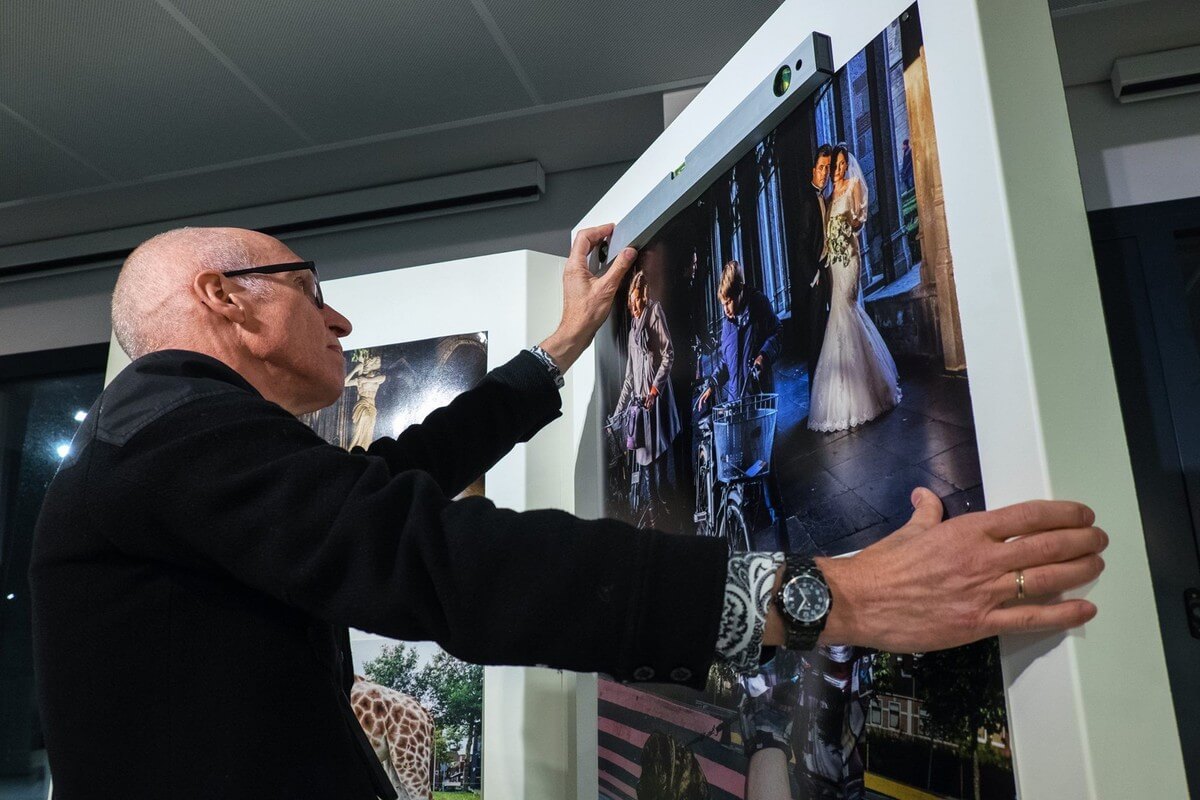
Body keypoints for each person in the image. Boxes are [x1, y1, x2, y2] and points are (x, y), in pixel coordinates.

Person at [30, 224, 1107, 799]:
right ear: (224, 297)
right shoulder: (168, 433)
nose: (340, 313)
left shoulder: (163, 438)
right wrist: (838, 592)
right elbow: (432, 552)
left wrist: (559, 349)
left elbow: (394, 483)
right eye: (311, 285)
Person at [808, 144, 903, 432]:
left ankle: (865, 390)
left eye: (839, 165)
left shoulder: (852, 186)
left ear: (846, 165)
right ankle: (843, 390)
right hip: (833, 265)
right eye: (833, 165)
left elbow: (861, 220)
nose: (836, 170)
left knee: (846, 310)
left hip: (849, 259)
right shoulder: (827, 194)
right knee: (840, 316)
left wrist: (848, 226)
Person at [612, 270, 683, 529]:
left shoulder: (654, 313)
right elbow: (629, 378)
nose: (633, 309)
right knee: (647, 480)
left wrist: (655, 389)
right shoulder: (632, 332)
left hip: (658, 406)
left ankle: (672, 526)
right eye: (631, 305)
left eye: (636, 303)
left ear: (643, 297)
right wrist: (617, 413)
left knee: (662, 478)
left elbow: (669, 353)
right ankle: (656, 531)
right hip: (641, 414)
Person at [790, 144, 833, 384]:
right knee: (815, 338)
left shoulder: (824, 197)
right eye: (821, 168)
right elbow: (801, 244)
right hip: (815, 278)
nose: (825, 172)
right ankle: (817, 394)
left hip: (828, 271)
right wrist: (814, 277)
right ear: (813, 170)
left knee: (827, 332)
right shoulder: (808, 200)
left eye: (828, 168)